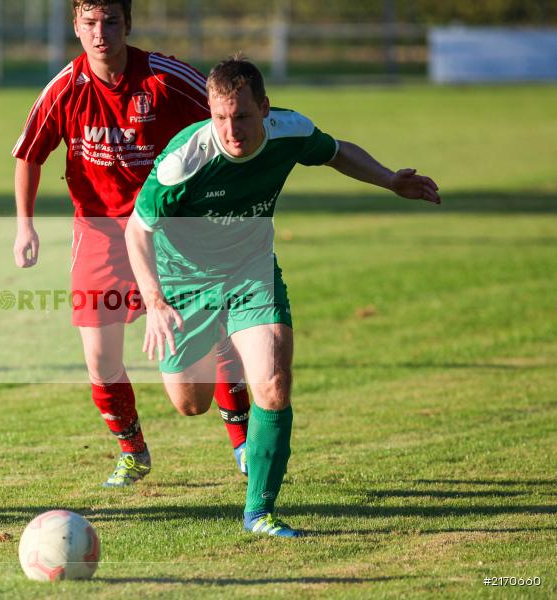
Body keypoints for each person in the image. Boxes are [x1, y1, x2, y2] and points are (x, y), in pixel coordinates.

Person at [126, 56, 440, 535]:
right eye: (220, 118)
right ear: (209, 112)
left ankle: (260, 512)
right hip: (185, 280)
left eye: (243, 117)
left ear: (265, 109)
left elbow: (336, 151)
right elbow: (137, 230)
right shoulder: (182, 162)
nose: (232, 130)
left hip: (252, 272)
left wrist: (389, 179)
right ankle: (221, 338)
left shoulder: (289, 131)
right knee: (190, 403)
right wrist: (155, 301)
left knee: (273, 383)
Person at [12, 0, 254, 487]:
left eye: (111, 22)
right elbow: (30, 154)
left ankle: (245, 444)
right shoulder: (64, 88)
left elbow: (227, 119)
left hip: (172, 232)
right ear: (76, 28)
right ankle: (132, 452)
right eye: (90, 23)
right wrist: (25, 225)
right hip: (99, 234)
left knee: (199, 372)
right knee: (99, 358)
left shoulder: (164, 77)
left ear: (128, 25)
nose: (101, 33)